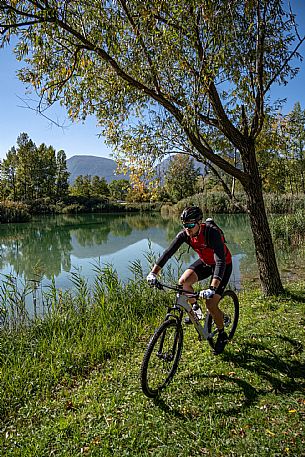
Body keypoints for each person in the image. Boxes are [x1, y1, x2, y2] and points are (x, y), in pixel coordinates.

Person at [146, 206, 233, 355]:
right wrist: (153, 273)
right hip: (205, 263)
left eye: (191, 225)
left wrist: (212, 288)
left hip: (223, 265)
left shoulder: (211, 233)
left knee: (211, 304)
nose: (187, 228)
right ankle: (196, 310)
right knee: (183, 282)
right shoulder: (185, 235)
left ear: (200, 222)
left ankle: (222, 335)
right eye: (185, 225)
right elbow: (168, 253)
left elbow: (220, 262)